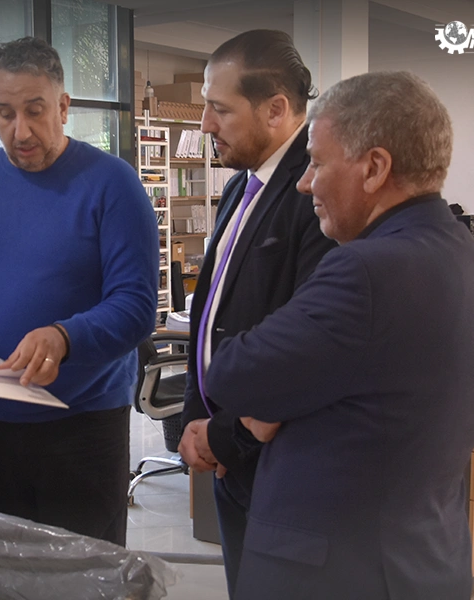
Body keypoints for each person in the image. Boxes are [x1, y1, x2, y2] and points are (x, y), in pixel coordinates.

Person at [203, 71, 474, 598]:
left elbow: (232, 375)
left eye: (317, 163)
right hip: (420, 559)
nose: (304, 183)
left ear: (374, 168)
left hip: (336, 572)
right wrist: (281, 402)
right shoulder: (465, 256)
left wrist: (274, 402)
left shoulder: (365, 271)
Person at [0, 36, 158, 546]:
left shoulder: (113, 184)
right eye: (4, 114)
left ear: (63, 107)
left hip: (82, 424)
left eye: (34, 110)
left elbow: (136, 306)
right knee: (3, 570)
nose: (19, 130)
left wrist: (64, 337)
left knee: (81, 573)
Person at [175, 29, 336, 596]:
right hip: (231, 458)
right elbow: (213, 313)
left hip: (278, 467)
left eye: (219, 109)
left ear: (275, 109)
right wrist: (197, 418)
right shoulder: (241, 186)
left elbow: (306, 348)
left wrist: (227, 437)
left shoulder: (315, 195)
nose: (204, 126)